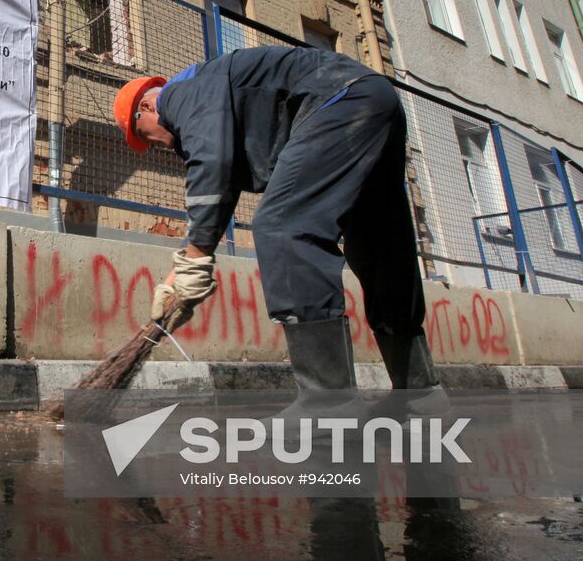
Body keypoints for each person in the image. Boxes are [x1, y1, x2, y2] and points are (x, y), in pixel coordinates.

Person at [113, 46, 446, 413]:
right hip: (373, 97)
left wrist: (196, 260)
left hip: (337, 99)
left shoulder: (180, 94)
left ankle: (328, 403)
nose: (153, 145)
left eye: (142, 136)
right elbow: (223, 182)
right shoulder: (219, 95)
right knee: (378, 245)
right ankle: (419, 394)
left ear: (144, 108)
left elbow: (211, 164)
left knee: (283, 225)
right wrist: (182, 271)